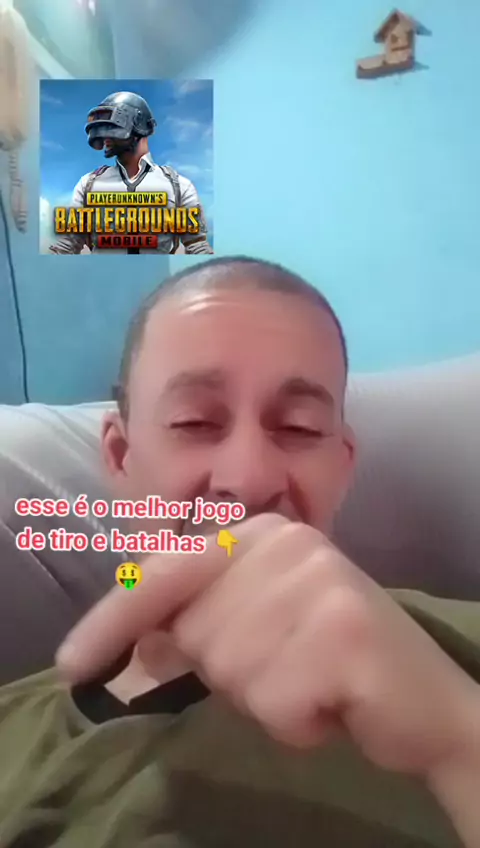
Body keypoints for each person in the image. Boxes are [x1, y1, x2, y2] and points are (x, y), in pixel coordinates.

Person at [1, 256, 479, 848]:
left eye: (300, 427)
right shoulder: (13, 732)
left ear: (342, 465)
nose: (249, 481)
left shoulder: (456, 654)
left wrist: (459, 741)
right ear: (121, 458)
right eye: (196, 422)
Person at [49, 90, 213, 255]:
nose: (105, 137)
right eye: (102, 130)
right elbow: (66, 245)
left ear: (141, 127)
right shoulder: (88, 184)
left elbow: (197, 247)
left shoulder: (179, 186)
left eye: (112, 128)